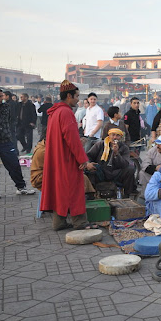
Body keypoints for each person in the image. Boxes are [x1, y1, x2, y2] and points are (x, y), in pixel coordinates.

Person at [41, 81, 96, 229]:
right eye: (77, 96)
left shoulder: (55, 112)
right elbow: (72, 139)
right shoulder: (66, 112)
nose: (78, 100)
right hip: (67, 159)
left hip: (57, 158)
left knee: (61, 190)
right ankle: (80, 222)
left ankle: (58, 222)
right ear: (69, 96)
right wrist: (82, 159)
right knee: (74, 189)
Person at [86, 128, 136, 198]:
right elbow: (88, 156)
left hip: (116, 172)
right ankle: (91, 195)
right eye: (113, 135)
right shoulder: (101, 144)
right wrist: (88, 163)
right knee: (92, 169)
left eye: (117, 136)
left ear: (120, 137)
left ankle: (127, 195)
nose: (115, 137)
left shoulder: (124, 148)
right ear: (109, 136)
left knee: (130, 170)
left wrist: (116, 153)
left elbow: (125, 164)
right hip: (102, 171)